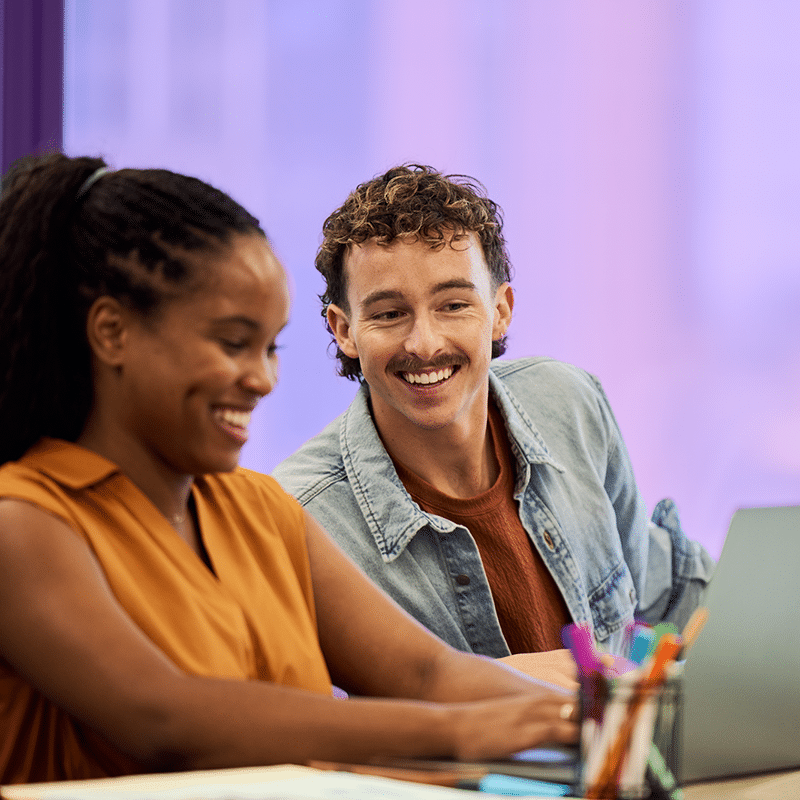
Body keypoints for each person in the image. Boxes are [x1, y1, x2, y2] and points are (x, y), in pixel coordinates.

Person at [0, 153, 579, 785]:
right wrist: (461, 732)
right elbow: (164, 720)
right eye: (232, 344)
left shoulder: (260, 510)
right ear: (112, 333)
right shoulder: (22, 522)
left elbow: (425, 674)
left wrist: (596, 721)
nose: (263, 379)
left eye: (270, 346)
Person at [272, 164, 714, 677]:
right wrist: (510, 686)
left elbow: (670, 593)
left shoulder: (567, 403)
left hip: (621, 757)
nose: (425, 343)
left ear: (501, 309)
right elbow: (311, 729)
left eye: (453, 304)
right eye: (390, 314)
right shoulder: (300, 518)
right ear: (344, 329)